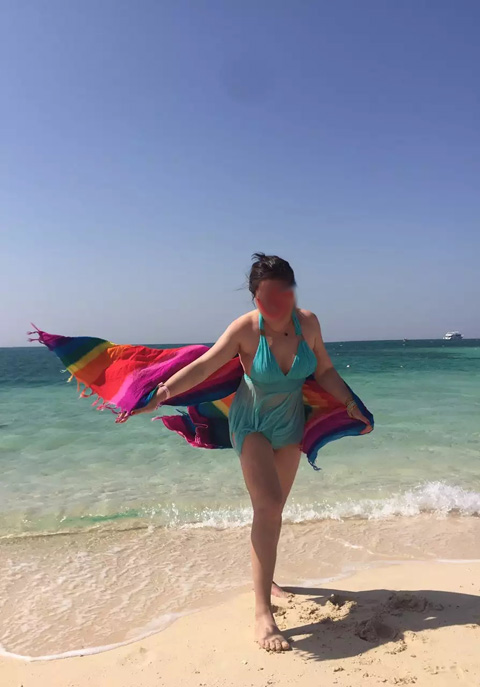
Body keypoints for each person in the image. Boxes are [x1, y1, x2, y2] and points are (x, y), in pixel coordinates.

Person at [124, 253, 372, 652]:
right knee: (268, 505)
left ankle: (266, 579)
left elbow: (324, 370)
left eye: (283, 294)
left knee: (274, 511)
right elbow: (205, 366)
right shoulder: (245, 329)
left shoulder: (308, 323)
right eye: (266, 297)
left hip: (290, 423)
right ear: (256, 298)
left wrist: (349, 403)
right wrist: (162, 393)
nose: (276, 304)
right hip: (251, 421)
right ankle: (262, 613)